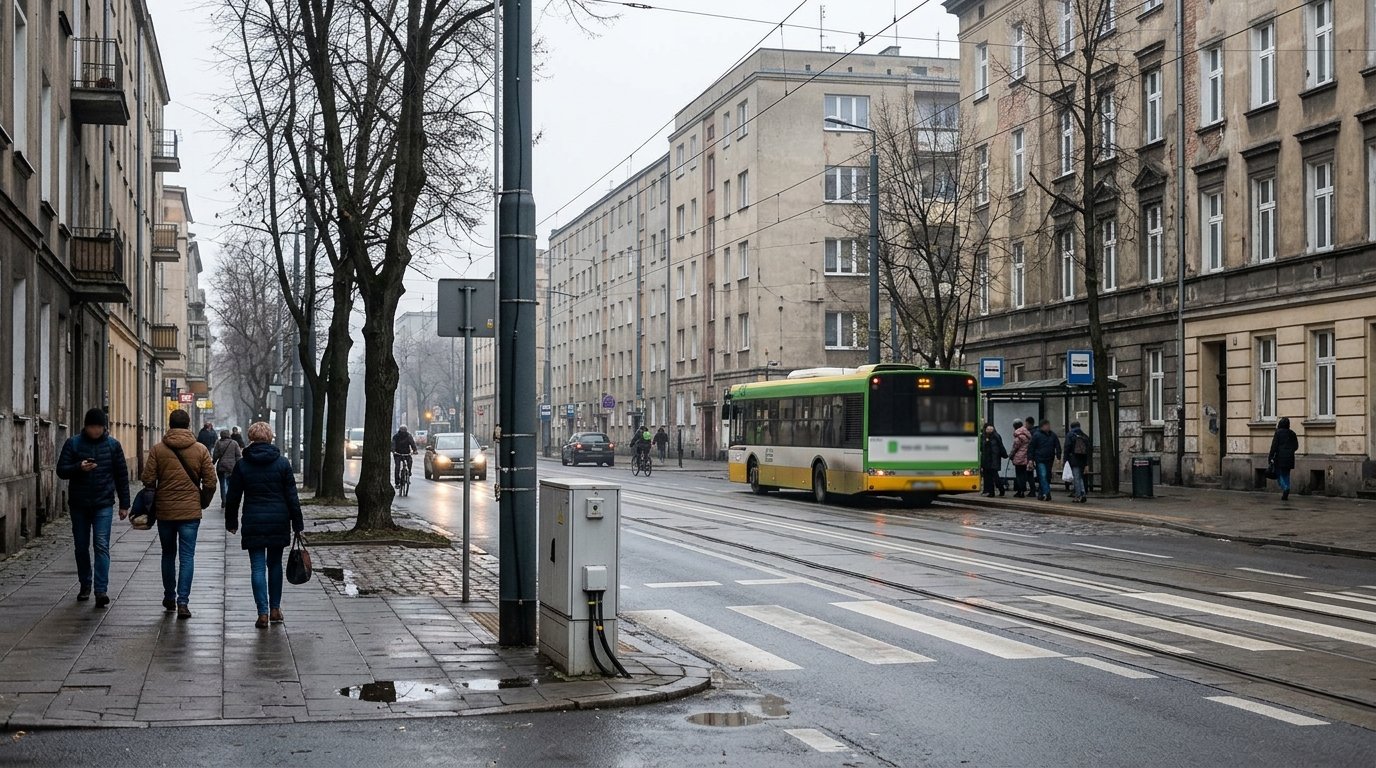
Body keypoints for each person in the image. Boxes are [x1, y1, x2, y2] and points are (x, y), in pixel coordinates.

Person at [225, 422, 305, 629]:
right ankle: (276, 609)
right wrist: (298, 524)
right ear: (270, 438)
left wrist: (231, 521)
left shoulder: (243, 465)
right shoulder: (282, 463)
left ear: (251, 438)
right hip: (278, 520)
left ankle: (262, 613)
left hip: (253, 520)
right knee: (275, 565)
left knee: (258, 567)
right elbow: (292, 498)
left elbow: (233, 496)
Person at [142, 409, 217, 619]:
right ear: (189, 424)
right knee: (187, 556)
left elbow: (147, 478)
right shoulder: (201, 450)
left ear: (169, 424)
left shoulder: (158, 450)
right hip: (190, 513)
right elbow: (211, 481)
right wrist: (203, 501)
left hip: (165, 512)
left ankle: (169, 597)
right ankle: (183, 602)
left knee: (168, 554)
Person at [55, 408, 132, 608]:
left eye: (98, 427)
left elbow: (121, 476)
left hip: (103, 503)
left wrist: (125, 504)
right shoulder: (73, 443)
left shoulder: (113, 446)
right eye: (91, 427)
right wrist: (78, 468)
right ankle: (85, 584)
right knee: (81, 547)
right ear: (85, 426)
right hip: (79, 503)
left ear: (104, 427)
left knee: (101, 545)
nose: (95, 431)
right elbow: (61, 470)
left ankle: (101, 590)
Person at [1028, 420, 1062, 501]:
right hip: (1040, 458)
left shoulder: (1052, 435)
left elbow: (1057, 445)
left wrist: (1058, 456)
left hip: (1049, 459)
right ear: (1042, 426)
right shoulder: (1037, 435)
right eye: (1047, 425)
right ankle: (1047, 493)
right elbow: (1031, 448)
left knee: (1046, 476)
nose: (1048, 427)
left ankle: (1041, 493)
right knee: (1043, 475)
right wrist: (1030, 459)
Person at [1268, 417, 1300, 501]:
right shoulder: (1292, 433)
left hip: (1280, 457)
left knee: (1279, 474)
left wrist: (1270, 457)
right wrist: (1290, 451)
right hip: (1290, 458)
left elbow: (1274, 446)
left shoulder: (1278, 433)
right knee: (1286, 474)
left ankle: (1285, 488)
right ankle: (1287, 488)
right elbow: (1296, 446)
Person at [212, 429, 242, 506]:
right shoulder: (234, 443)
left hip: (221, 467)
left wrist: (213, 463)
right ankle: (230, 500)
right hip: (232, 467)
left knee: (222, 485)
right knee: (230, 484)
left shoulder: (218, 443)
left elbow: (215, 455)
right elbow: (238, 455)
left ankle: (224, 501)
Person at [1065, 421, 1092, 503]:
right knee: (1080, 478)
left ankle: (1078, 495)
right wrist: (1087, 463)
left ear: (1071, 427)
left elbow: (1067, 448)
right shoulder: (1084, 436)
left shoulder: (1070, 435)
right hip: (1082, 460)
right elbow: (1089, 450)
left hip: (1074, 459)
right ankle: (1083, 493)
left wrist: (1065, 460)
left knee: (1076, 478)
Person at [979, 423, 1008, 497]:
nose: (989, 431)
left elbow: (1001, 446)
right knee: (989, 477)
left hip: (994, 459)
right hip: (986, 459)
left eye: (991, 429)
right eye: (988, 429)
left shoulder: (996, 436)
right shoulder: (983, 436)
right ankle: (992, 492)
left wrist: (1004, 454)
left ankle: (1000, 489)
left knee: (994, 476)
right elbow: (981, 448)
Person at [1010, 419, 1033, 498]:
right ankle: (1023, 490)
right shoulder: (1028, 435)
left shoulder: (1018, 436)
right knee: (1023, 474)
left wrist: (1011, 455)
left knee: (1019, 475)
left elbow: (1015, 448)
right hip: (1026, 457)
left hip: (1019, 457)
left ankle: (1020, 491)